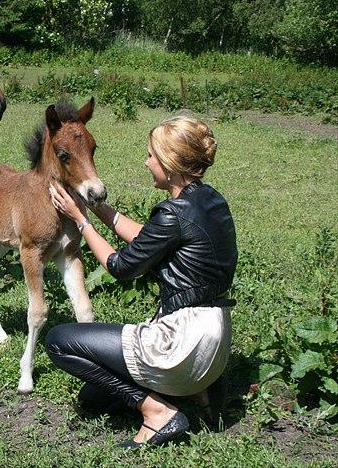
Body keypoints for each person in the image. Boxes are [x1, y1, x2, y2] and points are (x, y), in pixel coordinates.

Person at [47, 115, 237, 449]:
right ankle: (199, 395)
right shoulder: (210, 201)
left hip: (180, 341)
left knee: (60, 340)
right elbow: (149, 238)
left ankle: (157, 412)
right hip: (215, 344)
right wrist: (100, 208)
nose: (146, 161)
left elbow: (120, 266)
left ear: (168, 162)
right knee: (93, 397)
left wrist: (81, 220)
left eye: (151, 154)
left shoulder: (172, 212)